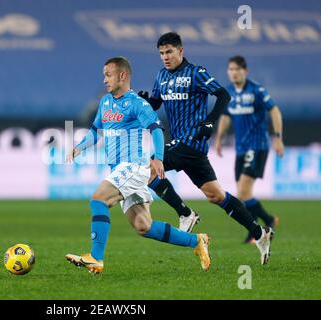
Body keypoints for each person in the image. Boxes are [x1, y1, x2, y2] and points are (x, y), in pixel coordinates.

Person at [65, 57, 211, 274]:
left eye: (108, 74)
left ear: (122, 76)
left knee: (98, 200)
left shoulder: (137, 103)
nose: (104, 79)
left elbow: (156, 129)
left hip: (131, 167)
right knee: (144, 226)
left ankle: (95, 257)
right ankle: (197, 241)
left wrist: (159, 158)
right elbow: (96, 131)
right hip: (119, 170)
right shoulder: (105, 102)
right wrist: (79, 147)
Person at [138, 32, 273, 265]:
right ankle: (260, 233)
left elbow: (223, 95)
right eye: (161, 53)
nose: (165, 57)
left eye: (169, 51)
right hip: (184, 146)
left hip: (192, 141)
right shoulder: (161, 76)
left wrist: (210, 120)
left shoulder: (196, 72)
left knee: (148, 168)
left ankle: (185, 213)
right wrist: (147, 101)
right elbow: (158, 102)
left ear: (181, 51)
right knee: (215, 195)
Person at [214, 55, 283, 243]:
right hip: (241, 149)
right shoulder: (229, 92)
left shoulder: (257, 90)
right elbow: (227, 116)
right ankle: (268, 219)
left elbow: (274, 111)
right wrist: (219, 138)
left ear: (245, 71)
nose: (234, 73)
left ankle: (255, 232)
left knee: (243, 191)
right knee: (243, 193)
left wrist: (278, 138)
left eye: (237, 69)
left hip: (258, 145)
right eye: (231, 69)